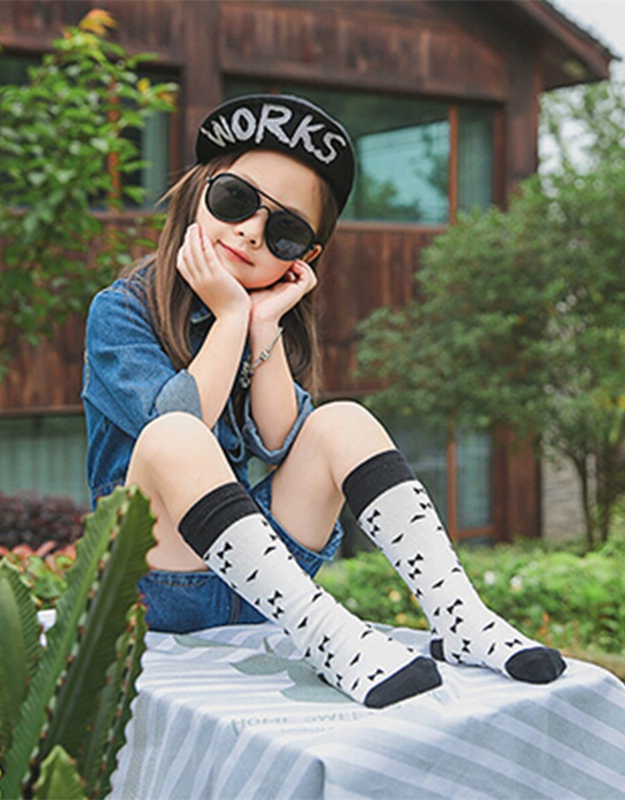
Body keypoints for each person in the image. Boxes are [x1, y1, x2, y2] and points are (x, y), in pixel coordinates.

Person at [82, 94, 566, 708]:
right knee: (172, 434)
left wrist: (262, 325)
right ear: (198, 192)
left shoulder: (260, 319)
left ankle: (460, 618)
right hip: (157, 581)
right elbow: (184, 424)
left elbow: (280, 443)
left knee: (342, 420)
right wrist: (229, 316)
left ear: (304, 258)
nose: (250, 231)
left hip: (256, 580)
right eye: (235, 200)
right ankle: (328, 636)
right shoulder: (122, 311)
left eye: (284, 231)